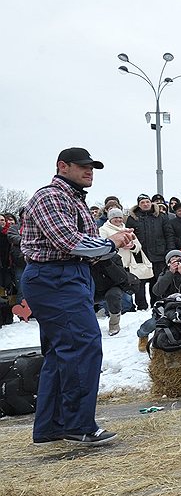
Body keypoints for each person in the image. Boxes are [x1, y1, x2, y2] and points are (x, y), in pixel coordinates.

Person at [21, 147, 135, 447]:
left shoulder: (74, 199)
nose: (89, 171)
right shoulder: (50, 197)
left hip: (66, 276)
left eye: (92, 167)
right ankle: (78, 425)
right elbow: (69, 242)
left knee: (61, 352)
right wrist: (109, 243)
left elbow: (82, 246)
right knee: (82, 346)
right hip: (54, 277)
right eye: (82, 166)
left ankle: (52, 426)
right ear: (63, 166)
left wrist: (110, 243)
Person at [136, 249, 181, 351]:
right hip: (167, 307)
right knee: (154, 322)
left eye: (179, 260)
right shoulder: (164, 275)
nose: (176, 263)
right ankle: (142, 334)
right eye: (173, 261)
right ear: (168, 264)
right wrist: (170, 273)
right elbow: (157, 291)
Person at [126, 193, 175, 308]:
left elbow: (169, 234)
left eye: (147, 202)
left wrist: (170, 251)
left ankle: (157, 303)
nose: (145, 204)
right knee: (140, 282)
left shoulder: (161, 216)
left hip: (159, 253)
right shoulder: (132, 218)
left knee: (158, 280)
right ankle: (141, 305)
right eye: (142, 202)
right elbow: (129, 235)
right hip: (141, 254)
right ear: (138, 205)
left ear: (151, 202)